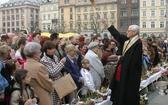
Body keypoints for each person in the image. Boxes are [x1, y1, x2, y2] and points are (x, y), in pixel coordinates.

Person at [101, 18, 142, 105]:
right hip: (124, 70)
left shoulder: (137, 43)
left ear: (134, 33)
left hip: (130, 74)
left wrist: (121, 58)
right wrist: (107, 24)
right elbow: (118, 36)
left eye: (129, 31)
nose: (127, 32)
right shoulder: (129, 41)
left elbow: (133, 59)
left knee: (127, 94)